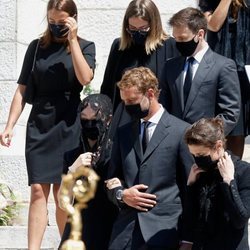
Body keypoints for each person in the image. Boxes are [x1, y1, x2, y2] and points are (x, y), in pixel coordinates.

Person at [0, 0, 95, 249]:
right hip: (40, 124)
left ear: (73, 18)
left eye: (60, 22)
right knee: (38, 192)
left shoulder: (86, 46)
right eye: (51, 22)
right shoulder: (36, 47)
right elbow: (22, 90)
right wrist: (10, 125)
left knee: (63, 194)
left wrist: (72, 39)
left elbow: (85, 78)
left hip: (69, 124)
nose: (55, 27)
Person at [106, 67, 194, 250]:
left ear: (151, 93)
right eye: (124, 101)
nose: (127, 106)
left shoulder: (181, 132)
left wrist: (188, 238)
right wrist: (122, 195)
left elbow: (190, 190)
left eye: (132, 100)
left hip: (164, 232)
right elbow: (112, 179)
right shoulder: (123, 133)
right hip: (125, 234)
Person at [159, 7, 241, 139]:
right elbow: (163, 107)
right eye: (176, 38)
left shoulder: (223, 66)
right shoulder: (170, 66)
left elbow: (230, 113)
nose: (178, 43)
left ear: (200, 34)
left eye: (183, 38)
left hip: (205, 146)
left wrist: (204, 139)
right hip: (173, 144)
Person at [59, 94, 118, 250]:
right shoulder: (72, 155)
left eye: (96, 118)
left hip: (110, 225)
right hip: (81, 226)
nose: (90, 123)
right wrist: (73, 169)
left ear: (108, 119)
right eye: (84, 118)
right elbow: (62, 202)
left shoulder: (116, 152)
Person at [180, 117, 250, 250]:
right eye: (193, 155)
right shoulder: (199, 173)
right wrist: (190, 186)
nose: (197, 159)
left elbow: (240, 220)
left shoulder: (244, 171)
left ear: (218, 146)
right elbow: (190, 219)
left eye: (201, 154)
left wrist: (229, 182)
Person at [100, 0, 179, 112]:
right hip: (125, 116)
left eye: (143, 29)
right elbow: (108, 87)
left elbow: (174, 90)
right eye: (132, 28)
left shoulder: (169, 46)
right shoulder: (119, 46)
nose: (138, 33)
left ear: (154, 25)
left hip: (157, 116)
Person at [198, 0, 250, 159]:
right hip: (225, 69)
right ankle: (226, 172)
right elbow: (212, 25)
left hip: (246, 69)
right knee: (231, 127)